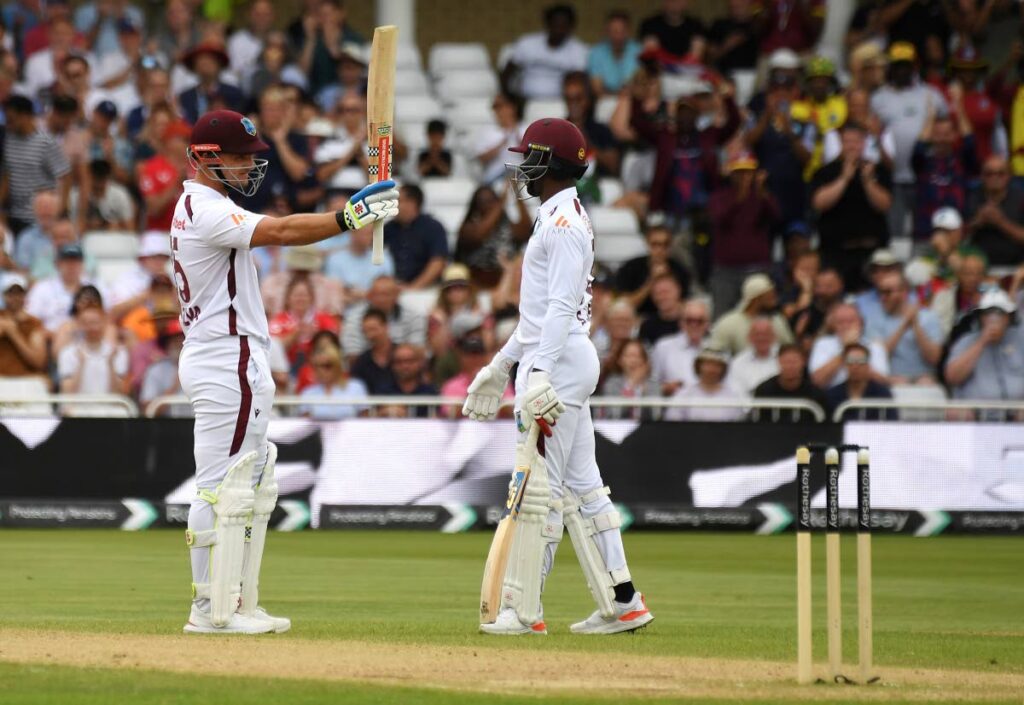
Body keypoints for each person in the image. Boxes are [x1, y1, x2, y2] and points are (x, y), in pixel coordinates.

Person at [169, 108, 398, 634]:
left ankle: (236, 603)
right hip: (227, 355)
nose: (251, 167)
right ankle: (210, 610)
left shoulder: (201, 204)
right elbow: (284, 231)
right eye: (242, 158)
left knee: (243, 486)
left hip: (224, 353)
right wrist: (349, 218)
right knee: (220, 488)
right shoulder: (204, 208)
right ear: (206, 158)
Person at [463, 117, 653, 635]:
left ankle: (524, 611)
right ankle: (624, 600)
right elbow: (537, 315)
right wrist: (501, 365)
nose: (522, 166)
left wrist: (538, 372)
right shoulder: (556, 217)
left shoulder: (563, 225)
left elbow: (563, 307)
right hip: (560, 358)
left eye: (529, 156)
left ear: (548, 163)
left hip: (559, 362)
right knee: (584, 486)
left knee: (536, 486)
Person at [870, 42, 949, 239]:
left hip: (926, 175)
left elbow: (946, 127)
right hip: (892, 177)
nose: (902, 71)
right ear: (891, 68)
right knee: (895, 231)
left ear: (915, 67)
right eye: (897, 66)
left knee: (926, 230)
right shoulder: (879, 98)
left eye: (906, 65)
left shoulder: (932, 95)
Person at [810, 120, 892, 290]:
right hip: (837, 252)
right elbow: (819, 203)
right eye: (848, 142)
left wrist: (868, 182)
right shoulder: (826, 172)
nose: (852, 146)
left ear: (864, 143)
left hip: (871, 250)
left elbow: (885, 205)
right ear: (841, 143)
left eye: (856, 141)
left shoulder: (877, 170)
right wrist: (844, 178)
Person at [707, 153, 780, 315]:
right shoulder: (719, 196)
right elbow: (720, 218)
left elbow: (775, 216)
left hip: (757, 268)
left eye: (748, 172)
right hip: (726, 271)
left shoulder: (761, 197)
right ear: (731, 174)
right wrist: (740, 196)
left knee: (761, 315)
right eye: (739, 172)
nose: (744, 177)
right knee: (722, 315)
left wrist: (761, 191)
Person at [910, 91, 976, 242]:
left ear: (954, 135)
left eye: (947, 134)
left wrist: (959, 109)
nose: (942, 139)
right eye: (938, 134)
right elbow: (919, 147)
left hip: (957, 235)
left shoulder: (962, 161)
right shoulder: (923, 163)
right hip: (926, 234)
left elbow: (970, 142)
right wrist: (930, 118)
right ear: (931, 136)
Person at [1, 94, 71, 234]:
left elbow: (65, 177)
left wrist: (59, 210)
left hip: (38, 219)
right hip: (14, 217)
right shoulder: (7, 140)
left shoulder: (45, 143)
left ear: (26, 116)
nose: (9, 124)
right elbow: (6, 177)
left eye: (12, 120)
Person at [863, 270, 944, 384]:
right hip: (891, 379)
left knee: (926, 383)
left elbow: (934, 358)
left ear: (903, 292)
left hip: (924, 377)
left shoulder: (929, 317)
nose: (882, 297)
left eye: (886, 292)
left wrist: (916, 325)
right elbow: (880, 356)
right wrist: (904, 325)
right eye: (880, 292)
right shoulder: (874, 319)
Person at [945, 289, 1024, 402]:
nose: (994, 317)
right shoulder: (966, 341)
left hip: (1017, 409)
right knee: (956, 413)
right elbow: (952, 377)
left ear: (1009, 317)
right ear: (981, 317)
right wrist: (982, 341)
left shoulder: (1020, 337)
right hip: (977, 412)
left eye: (1000, 312)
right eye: (988, 312)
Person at [503, 4, 588, 100]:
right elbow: (507, 72)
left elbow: (579, 81)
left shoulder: (578, 50)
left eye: (563, 25)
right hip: (525, 102)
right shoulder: (527, 43)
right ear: (547, 23)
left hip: (561, 103)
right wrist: (510, 97)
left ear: (571, 27)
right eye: (555, 24)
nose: (559, 29)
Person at [57, 302, 129, 413]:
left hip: (109, 411)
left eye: (95, 322)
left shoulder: (118, 353)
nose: (92, 328)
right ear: (79, 324)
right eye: (86, 323)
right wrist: (81, 364)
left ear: (104, 323)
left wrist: (110, 364)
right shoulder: (67, 353)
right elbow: (68, 394)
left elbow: (118, 394)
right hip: (79, 411)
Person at [455, 185, 532, 289]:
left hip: (506, 284)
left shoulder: (506, 226)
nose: (489, 204)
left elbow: (526, 230)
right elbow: (479, 234)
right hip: (477, 286)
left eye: (492, 200)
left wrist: (516, 191)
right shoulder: (468, 227)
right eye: (483, 201)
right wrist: (501, 202)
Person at [269, 276, 340, 377]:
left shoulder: (324, 319)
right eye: (296, 295)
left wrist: (317, 336)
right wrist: (296, 334)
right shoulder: (278, 321)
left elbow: (334, 346)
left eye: (304, 295)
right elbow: (272, 349)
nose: (300, 299)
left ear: (311, 298)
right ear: (288, 298)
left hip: (317, 373)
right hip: (285, 373)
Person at [809, 302, 890, 388]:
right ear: (833, 325)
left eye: (851, 321)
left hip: (867, 398)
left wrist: (856, 355)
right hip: (832, 397)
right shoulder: (822, 344)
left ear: (860, 323)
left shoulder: (874, 347)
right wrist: (846, 349)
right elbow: (816, 381)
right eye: (840, 322)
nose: (846, 326)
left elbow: (882, 383)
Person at [383, 184, 449, 290]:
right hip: (392, 288)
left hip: (426, 289)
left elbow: (438, 262)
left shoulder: (433, 227)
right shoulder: (388, 228)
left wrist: (414, 288)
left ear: (412, 203)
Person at [709, 273, 794, 355]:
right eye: (770, 297)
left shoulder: (777, 320)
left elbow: (790, 350)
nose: (774, 301)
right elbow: (715, 352)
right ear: (756, 299)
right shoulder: (729, 323)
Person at [342, 275, 426, 356]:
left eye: (386, 295)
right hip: (366, 366)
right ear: (369, 296)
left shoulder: (414, 317)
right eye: (376, 294)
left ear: (397, 296)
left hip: (403, 365)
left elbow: (417, 351)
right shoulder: (355, 318)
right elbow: (352, 353)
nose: (381, 299)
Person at [616, 225, 690, 316]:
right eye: (655, 244)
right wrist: (651, 281)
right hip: (637, 317)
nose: (660, 249)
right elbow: (624, 304)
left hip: (670, 319)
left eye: (665, 244)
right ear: (647, 243)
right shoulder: (631, 267)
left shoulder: (680, 270)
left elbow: (684, 305)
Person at [25, 242, 96, 334]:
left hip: (87, 338)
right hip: (50, 338)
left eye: (75, 262)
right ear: (57, 264)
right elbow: (31, 319)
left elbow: (104, 316)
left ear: (82, 264)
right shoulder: (42, 288)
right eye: (67, 262)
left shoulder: (94, 286)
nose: (71, 266)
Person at [967, 154, 1024, 268]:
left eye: (1000, 174)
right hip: (978, 269)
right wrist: (977, 221)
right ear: (981, 176)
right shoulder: (971, 197)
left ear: (1009, 176)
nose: (994, 178)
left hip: (1016, 267)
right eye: (989, 174)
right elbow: (958, 237)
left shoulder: (1021, 198)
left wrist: (1001, 222)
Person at [664, 346, 748, 422]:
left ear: (723, 369)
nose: (711, 369)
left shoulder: (732, 396)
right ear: (698, 366)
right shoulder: (684, 394)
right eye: (707, 364)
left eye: (716, 365)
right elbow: (673, 422)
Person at [650, 297, 710, 396]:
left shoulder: (716, 349)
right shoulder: (664, 347)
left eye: (699, 321)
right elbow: (651, 384)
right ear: (681, 322)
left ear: (707, 324)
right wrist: (665, 389)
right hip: (673, 407)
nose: (694, 325)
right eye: (689, 320)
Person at [753, 343, 828, 421]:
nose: (790, 366)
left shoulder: (816, 395)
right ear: (778, 361)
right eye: (786, 361)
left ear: (803, 362)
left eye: (794, 362)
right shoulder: (763, 391)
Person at [177, 43, 244, 124]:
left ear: (219, 65)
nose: (205, 64)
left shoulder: (234, 94)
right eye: (201, 61)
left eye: (210, 60)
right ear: (194, 67)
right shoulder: (186, 97)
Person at [298, 344, 368, 420]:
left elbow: (365, 421)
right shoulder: (307, 393)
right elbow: (305, 426)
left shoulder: (356, 387)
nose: (321, 370)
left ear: (337, 366)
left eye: (327, 366)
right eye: (317, 366)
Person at [825, 342, 894, 420]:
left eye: (861, 361)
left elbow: (892, 424)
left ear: (868, 365)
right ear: (844, 364)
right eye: (850, 361)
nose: (855, 366)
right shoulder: (832, 395)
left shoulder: (882, 394)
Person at [0, 273, 47, 378]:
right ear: (3, 295)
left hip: (25, 379)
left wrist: (14, 334)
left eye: (19, 293)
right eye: (10, 293)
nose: (15, 298)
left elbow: (38, 362)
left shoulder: (34, 323)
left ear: (25, 296)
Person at [599, 339, 659, 420]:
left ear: (645, 360)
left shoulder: (653, 384)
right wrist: (632, 384)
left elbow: (657, 415)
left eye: (638, 356)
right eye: (628, 356)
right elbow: (613, 413)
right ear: (619, 360)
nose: (633, 360)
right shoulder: (612, 383)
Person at [69, 158, 134, 232]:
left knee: (114, 226)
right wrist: (88, 224)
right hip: (84, 238)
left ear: (108, 177)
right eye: (96, 178)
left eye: (102, 178)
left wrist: (107, 225)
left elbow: (130, 229)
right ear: (89, 177)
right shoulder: (75, 195)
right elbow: (70, 228)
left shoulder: (120, 194)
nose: (99, 183)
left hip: (112, 239)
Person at [588, 10, 641, 96]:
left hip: (633, 101)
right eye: (614, 31)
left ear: (628, 31)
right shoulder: (596, 53)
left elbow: (642, 86)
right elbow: (597, 89)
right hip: (605, 101)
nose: (618, 36)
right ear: (607, 31)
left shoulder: (639, 51)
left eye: (622, 31)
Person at [727, 317, 780, 395]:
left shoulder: (785, 358)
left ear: (774, 336)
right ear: (749, 337)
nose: (761, 338)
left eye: (766, 334)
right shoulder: (738, 362)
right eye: (757, 334)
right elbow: (736, 392)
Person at [349, 307, 396, 394]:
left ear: (386, 326)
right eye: (366, 331)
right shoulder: (362, 362)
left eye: (373, 329)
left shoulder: (402, 355)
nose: (371, 335)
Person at [638, 274, 685, 346]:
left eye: (666, 292)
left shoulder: (693, 321)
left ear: (678, 291)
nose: (662, 297)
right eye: (658, 293)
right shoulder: (647, 326)